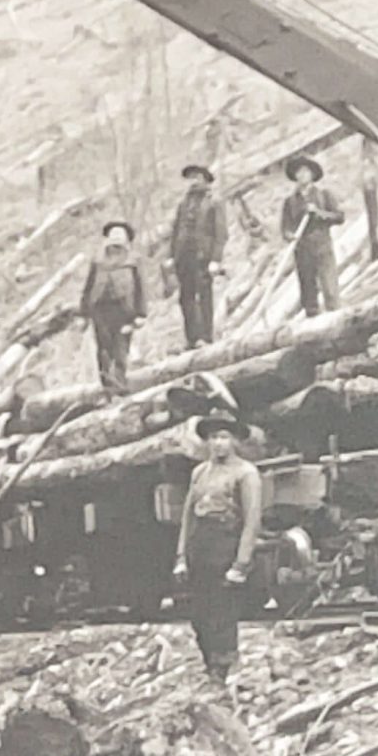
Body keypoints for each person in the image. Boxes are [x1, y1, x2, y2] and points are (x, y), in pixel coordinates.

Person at [171, 414, 264, 681]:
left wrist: (241, 562)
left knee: (222, 610)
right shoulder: (199, 472)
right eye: (213, 438)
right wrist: (181, 556)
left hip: (226, 543)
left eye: (224, 437)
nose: (218, 444)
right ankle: (209, 662)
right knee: (199, 612)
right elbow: (188, 516)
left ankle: (223, 669)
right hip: (200, 544)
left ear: (234, 440)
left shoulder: (246, 473)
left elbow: (252, 519)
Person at [80, 220, 148, 391]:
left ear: (126, 239)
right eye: (113, 235)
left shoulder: (134, 260)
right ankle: (107, 387)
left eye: (120, 235)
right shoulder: (97, 261)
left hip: (124, 310)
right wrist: (83, 312)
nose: (116, 238)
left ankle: (119, 385)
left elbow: (142, 288)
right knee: (103, 349)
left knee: (120, 349)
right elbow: (88, 287)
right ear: (107, 239)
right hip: (100, 310)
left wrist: (141, 314)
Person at [169, 161, 228, 349]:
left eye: (196, 177)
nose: (192, 182)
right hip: (183, 257)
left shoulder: (214, 202)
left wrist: (216, 259)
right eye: (190, 178)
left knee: (204, 296)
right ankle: (192, 338)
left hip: (203, 256)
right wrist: (172, 256)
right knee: (185, 297)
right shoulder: (183, 204)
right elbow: (176, 231)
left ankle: (206, 336)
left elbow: (221, 233)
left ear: (204, 179)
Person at [280, 154, 344, 317]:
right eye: (298, 172)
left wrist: (319, 213)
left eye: (306, 171)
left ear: (312, 174)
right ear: (294, 176)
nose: (302, 175)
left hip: (322, 246)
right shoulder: (290, 202)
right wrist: (290, 236)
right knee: (308, 292)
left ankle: (335, 318)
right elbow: (285, 228)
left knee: (330, 288)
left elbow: (339, 217)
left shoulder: (324, 195)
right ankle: (313, 320)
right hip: (302, 249)